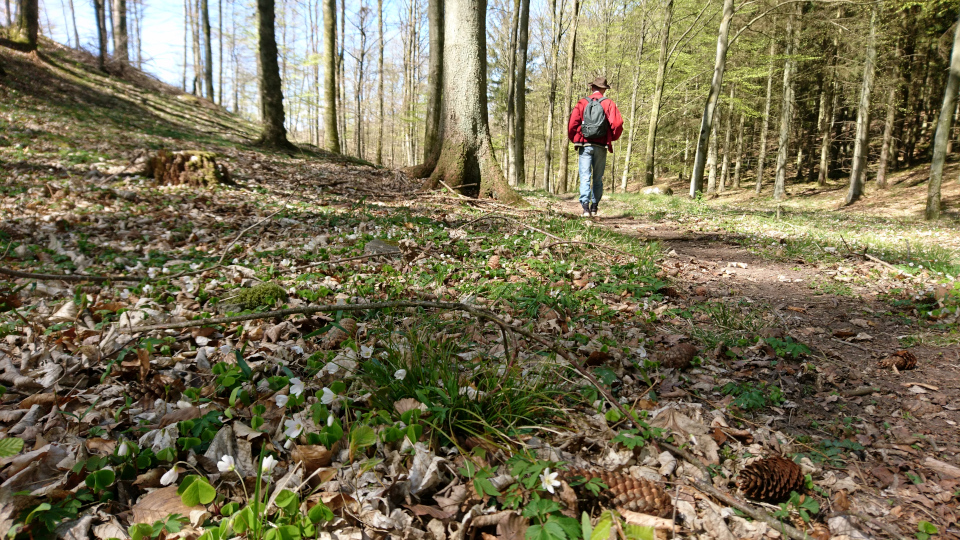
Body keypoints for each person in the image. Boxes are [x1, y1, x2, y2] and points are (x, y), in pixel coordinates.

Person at [567, 76, 624, 217]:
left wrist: (574, 138)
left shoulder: (582, 103)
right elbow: (617, 124)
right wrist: (612, 137)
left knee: (585, 176)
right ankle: (595, 207)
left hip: (584, 144)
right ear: (604, 90)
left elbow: (572, 123)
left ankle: (585, 208)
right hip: (601, 144)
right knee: (598, 177)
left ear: (592, 88)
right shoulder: (609, 104)